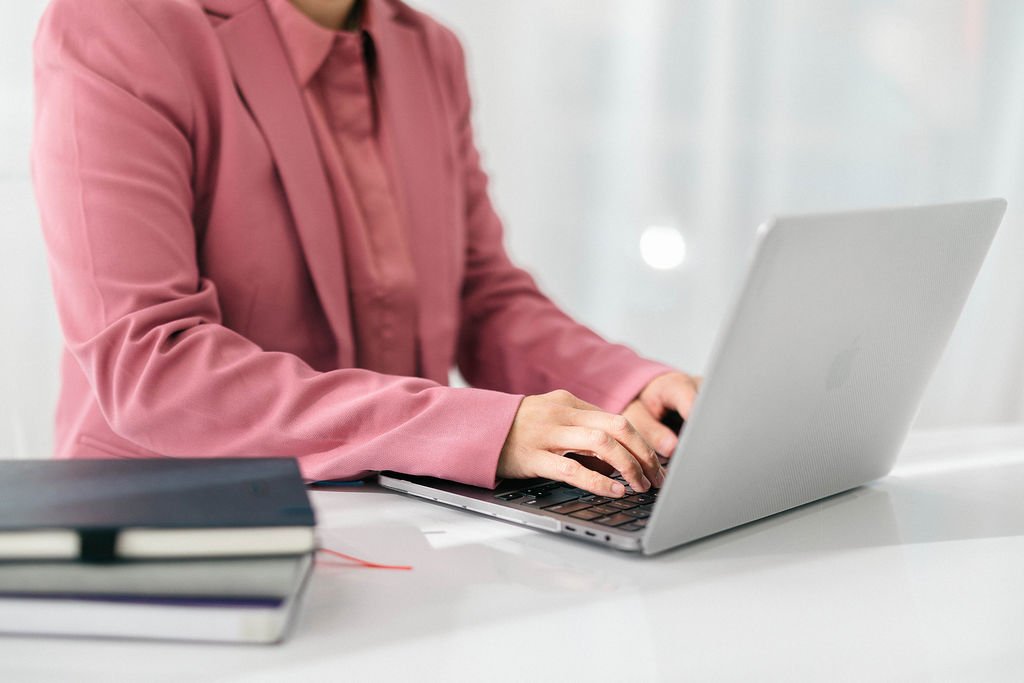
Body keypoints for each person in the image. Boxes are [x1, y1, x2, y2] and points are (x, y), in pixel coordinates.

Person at [32, 0, 700, 498]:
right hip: (174, 534)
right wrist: (480, 429)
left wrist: (627, 389)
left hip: (397, 525)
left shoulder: (429, 51)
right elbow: (151, 365)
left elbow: (481, 296)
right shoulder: (116, 27)